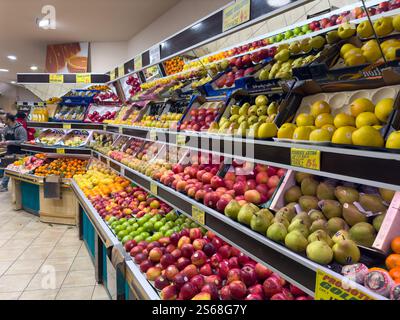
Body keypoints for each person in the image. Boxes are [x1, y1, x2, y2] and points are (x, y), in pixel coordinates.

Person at [0, 113, 28, 192]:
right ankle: (3, 186)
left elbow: (24, 141)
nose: (2, 120)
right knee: (7, 168)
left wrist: (10, 142)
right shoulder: (6, 128)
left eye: (4, 119)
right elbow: (4, 139)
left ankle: (21, 189)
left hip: (19, 152)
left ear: (8, 120)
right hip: (10, 151)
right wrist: (3, 142)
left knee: (20, 170)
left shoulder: (20, 129)